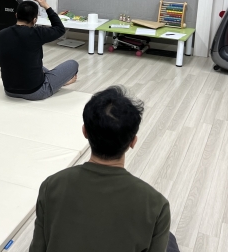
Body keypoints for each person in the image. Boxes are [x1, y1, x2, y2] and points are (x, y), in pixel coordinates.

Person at [29, 86, 179, 252]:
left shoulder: (51, 186)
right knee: (169, 240)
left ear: (85, 131)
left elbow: (37, 249)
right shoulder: (156, 205)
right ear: (133, 142)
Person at [0, 0, 78, 100]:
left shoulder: (2, 34)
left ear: (16, 15)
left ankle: (58, 80)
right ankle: (60, 81)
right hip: (35, 92)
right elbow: (60, 29)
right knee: (73, 64)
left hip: (9, 90)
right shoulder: (36, 33)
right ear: (34, 20)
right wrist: (46, 6)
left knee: (27, 63)